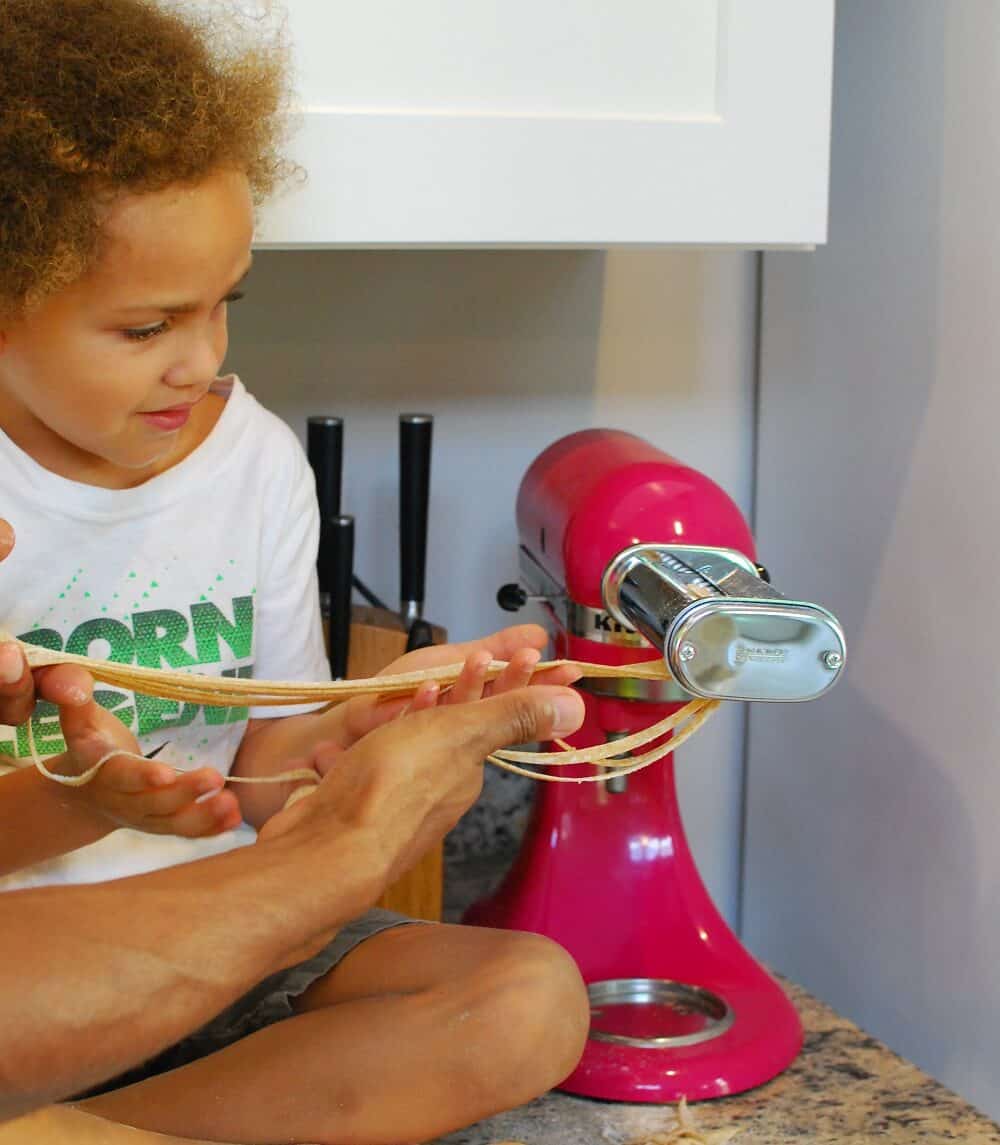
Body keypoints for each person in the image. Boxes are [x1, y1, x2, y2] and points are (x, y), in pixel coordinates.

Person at [0, 1, 591, 1140]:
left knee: (526, 997)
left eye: (226, 303)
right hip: (37, 979)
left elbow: (266, 763)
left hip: (230, 936)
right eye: (145, 325)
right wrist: (75, 801)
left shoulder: (254, 459)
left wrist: (366, 732)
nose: (203, 359)